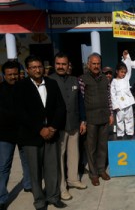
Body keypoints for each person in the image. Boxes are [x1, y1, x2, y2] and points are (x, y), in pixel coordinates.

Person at [15, 55, 67, 210]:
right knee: (35, 171)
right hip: (32, 136)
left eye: (39, 67)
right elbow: (21, 112)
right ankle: (39, 200)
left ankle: (53, 196)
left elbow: (60, 107)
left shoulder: (52, 83)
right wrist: (39, 129)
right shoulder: (21, 87)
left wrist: (53, 127)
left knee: (52, 169)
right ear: (27, 69)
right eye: (33, 67)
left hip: (51, 134)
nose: (37, 70)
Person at [49, 52, 87, 201]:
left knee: (74, 153)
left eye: (63, 64)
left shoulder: (74, 80)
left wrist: (83, 120)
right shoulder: (49, 80)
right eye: (58, 64)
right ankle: (61, 187)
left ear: (68, 65)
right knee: (59, 157)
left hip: (74, 123)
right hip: (58, 127)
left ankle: (73, 179)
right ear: (54, 64)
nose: (61, 66)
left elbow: (80, 102)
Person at [78, 53, 114, 186]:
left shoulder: (105, 79)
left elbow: (109, 97)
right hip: (90, 118)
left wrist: (111, 114)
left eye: (98, 63)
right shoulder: (82, 79)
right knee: (91, 147)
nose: (96, 66)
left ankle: (101, 170)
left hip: (104, 116)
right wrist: (83, 120)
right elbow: (81, 100)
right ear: (88, 65)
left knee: (102, 146)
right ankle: (94, 174)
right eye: (93, 63)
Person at [0, 61, 31, 210]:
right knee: (4, 165)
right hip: (5, 134)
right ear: (3, 75)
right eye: (9, 74)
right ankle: (1, 197)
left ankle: (28, 184)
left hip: (24, 132)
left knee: (27, 161)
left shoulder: (25, 87)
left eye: (15, 74)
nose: (13, 77)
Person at [110, 63, 135, 140]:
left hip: (128, 102)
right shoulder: (113, 81)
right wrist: (115, 105)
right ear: (117, 71)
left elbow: (129, 70)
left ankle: (130, 132)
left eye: (124, 72)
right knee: (120, 119)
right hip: (119, 104)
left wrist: (126, 58)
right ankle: (120, 133)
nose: (123, 74)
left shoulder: (126, 79)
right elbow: (112, 94)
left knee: (129, 118)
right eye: (122, 72)